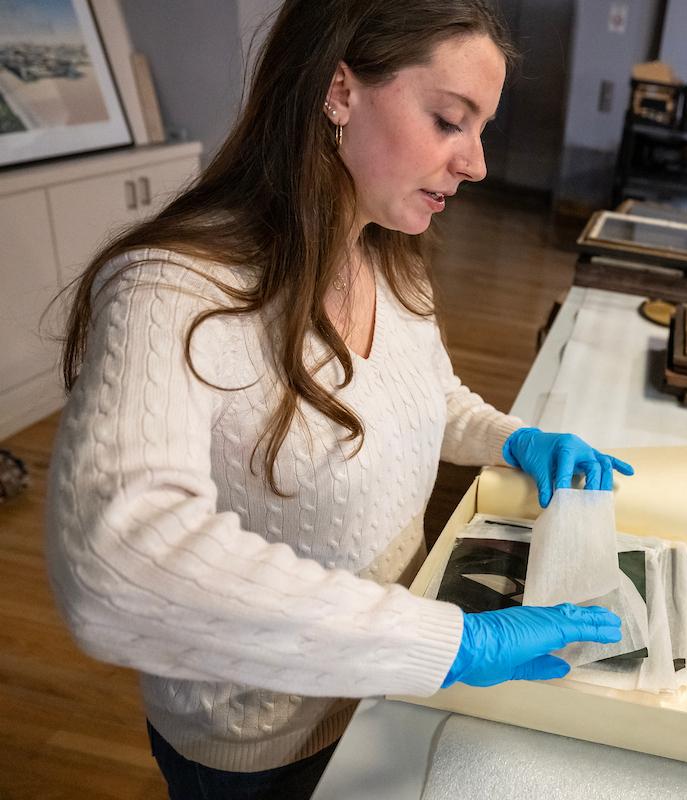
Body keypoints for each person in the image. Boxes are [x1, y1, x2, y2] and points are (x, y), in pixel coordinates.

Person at [44, 2, 632, 797]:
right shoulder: (171, 291)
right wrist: (445, 643)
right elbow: (115, 565)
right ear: (338, 90)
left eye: (482, 129)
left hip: (388, 683)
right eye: (449, 120)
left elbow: (429, 394)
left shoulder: (390, 257)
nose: (477, 164)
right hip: (265, 740)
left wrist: (511, 438)